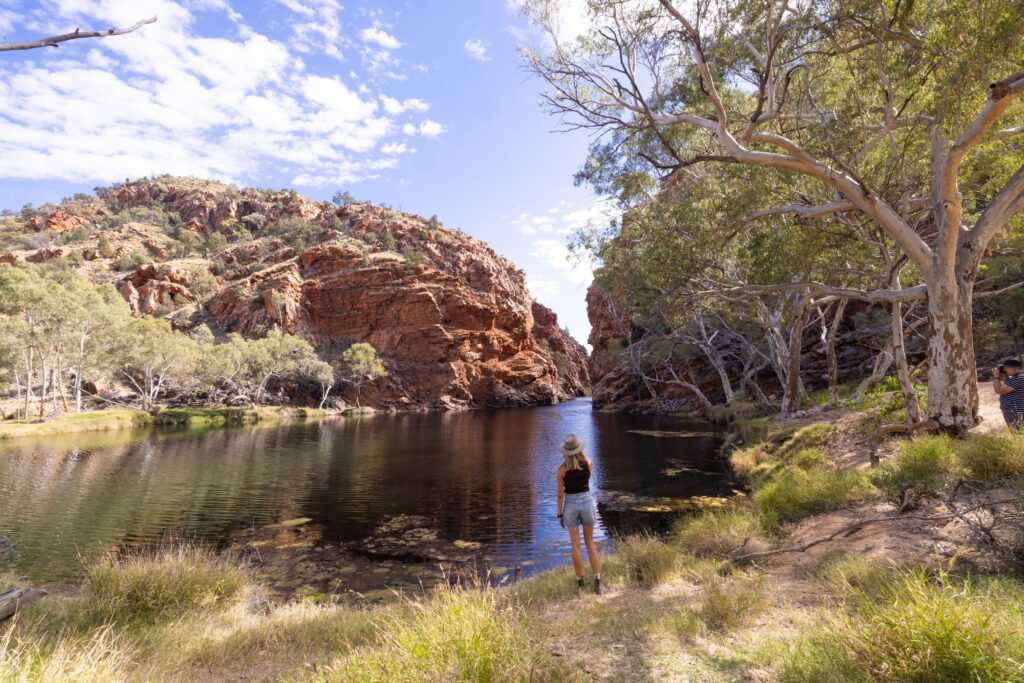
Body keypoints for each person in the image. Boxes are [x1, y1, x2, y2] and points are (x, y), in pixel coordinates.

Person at [556, 433, 602, 594]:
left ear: (565, 452)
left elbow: (560, 494)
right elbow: (586, 482)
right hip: (587, 502)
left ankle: (580, 582)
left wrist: (560, 514)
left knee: (575, 546)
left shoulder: (561, 470)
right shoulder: (589, 462)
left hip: (570, 506)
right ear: (579, 448)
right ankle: (597, 581)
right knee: (590, 544)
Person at [993, 358, 1024, 428]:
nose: (1004, 370)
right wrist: (1006, 376)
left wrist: (996, 377)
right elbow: (1007, 388)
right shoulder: (1017, 378)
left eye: (1005, 367)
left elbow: (998, 390)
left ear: (1014, 368)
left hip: (1015, 411)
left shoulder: (1018, 379)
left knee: (1017, 433)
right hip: (1016, 410)